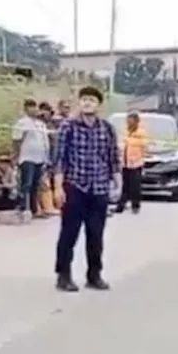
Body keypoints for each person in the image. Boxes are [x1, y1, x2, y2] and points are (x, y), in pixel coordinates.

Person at [52, 85, 121, 292]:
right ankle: (63, 276)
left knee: (96, 235)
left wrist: (118, 183)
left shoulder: (106, 128)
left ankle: (94, 275)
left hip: (99, 189)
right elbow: (59, 160)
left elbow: (113, 158)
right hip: (75, 187)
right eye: (84, 100)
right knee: (69, 234)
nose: (87, 103)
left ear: (99, 104)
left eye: (91, 100)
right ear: (79, 103)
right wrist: (58, 188)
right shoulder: (68, 127)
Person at [11, 98, 50, 219]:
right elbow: (16, 141)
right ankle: (25, 208)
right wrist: (15, 156)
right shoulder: (22, 123)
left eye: (35, 106)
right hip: (27, 157)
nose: (34, 109)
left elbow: (45, 141)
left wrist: (46, 157)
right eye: (30, 107)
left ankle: (35, 209)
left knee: (36, 184)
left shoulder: (41, 124)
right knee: (26, 183)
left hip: (40, 157)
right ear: (26, 109)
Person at [116, 111, 147, 214]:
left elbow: (144, 146)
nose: (129, 122)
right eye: (128, 121)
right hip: (125, 163)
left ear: (136, 122)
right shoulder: (126, 132)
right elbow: (122, 146)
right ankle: (120, 206)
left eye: (131, 121)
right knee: (125, 186)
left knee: (135, 187)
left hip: (136, 164)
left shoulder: (140, 133)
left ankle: (135, 206)